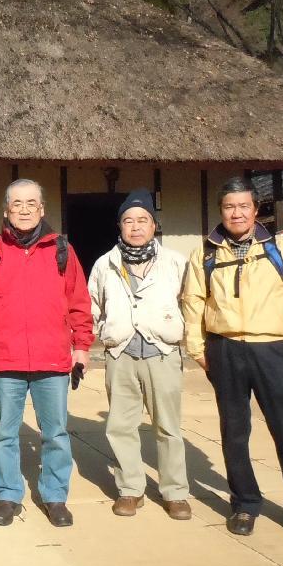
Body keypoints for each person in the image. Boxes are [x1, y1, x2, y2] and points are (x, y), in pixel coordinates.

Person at [181, 176, 283, 543]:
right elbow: (192, 303)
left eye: (244, 206)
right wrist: (198, 349)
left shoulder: (282, 248)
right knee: (234, 433)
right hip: (224, 349)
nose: (237, 213)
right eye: (230, 207)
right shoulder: (206, 253)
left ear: (255, 210)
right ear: (221, 211)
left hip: (272, 349)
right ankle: (244, 503)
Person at [0, 179, 93, 527]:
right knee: (4, 433)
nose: (23, 209)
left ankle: (54, 496)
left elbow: (79, 303)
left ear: (42, 209)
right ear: (5, 210)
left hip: (53, 360)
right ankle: (7, 495)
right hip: (6, 359)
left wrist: (81, 346)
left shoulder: (62, 249)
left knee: (56, 433)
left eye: (31, 203)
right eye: (16, 203)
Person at [87, 188, 191, 520]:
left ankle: (175, 492)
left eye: (142, 220)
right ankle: (130, 489)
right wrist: (103, 333)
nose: (135, 226)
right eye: (128, 220)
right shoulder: (106, 264)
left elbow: (192, 302)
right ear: (119, 226)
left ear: (154, 224)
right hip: (121, 353)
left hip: (163, 353)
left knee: (168, 427)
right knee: (120, 425)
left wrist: (180, 331)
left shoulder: (175, 262)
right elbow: (91, 306)